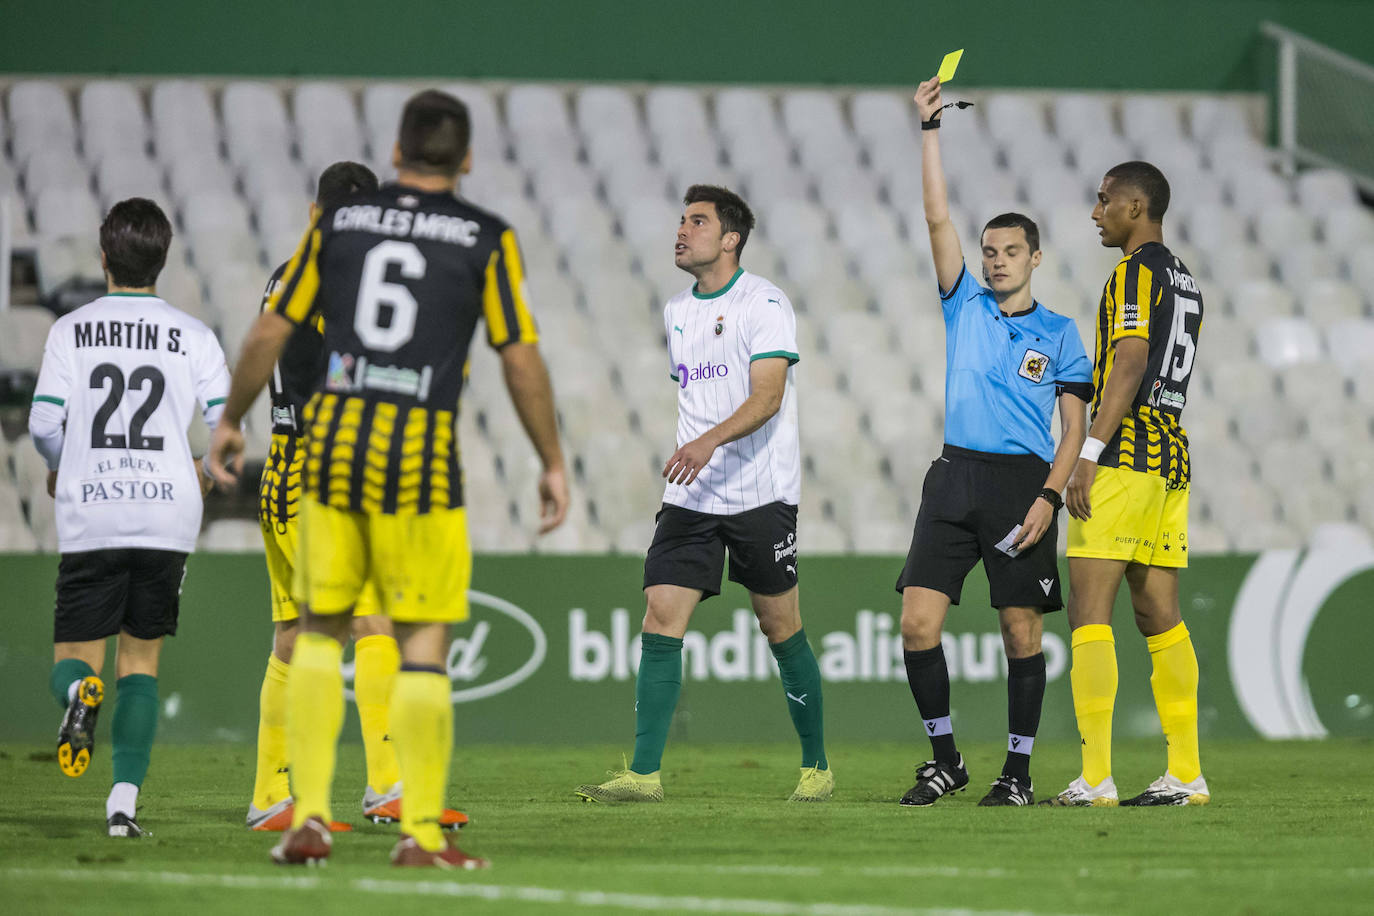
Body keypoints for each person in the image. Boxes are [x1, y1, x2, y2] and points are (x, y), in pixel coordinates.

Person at [207, 89, 569, 867]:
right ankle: (417, 831)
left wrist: (232, 416)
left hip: (327, 456)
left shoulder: (335, 229)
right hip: (417, 461)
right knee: (420, 638)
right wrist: (550, 458)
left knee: (316, 630)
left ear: (398, 148)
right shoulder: (484, 237)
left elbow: (271, 326)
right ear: (467, 158)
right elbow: (518, 353)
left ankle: (303, 811)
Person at [575, 184, 832, 805]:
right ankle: (642, 775)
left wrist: (708, 442)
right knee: (661, 616)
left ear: (731, 238)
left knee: (780, 626)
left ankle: (816, 768)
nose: (682, 230)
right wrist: (699, 448)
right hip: (692, 496)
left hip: (759, 494)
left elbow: (767, 397)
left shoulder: (764, 303)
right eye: (681, 219)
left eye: (697, 221)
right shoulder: (676, 311)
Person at [246, 161, 464, 834]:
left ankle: (269, 797)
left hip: (283, 469)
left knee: (293, 638)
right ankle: (387, 786)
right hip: (319, 473)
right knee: (372, 624)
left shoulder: (287, 274)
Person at [894, 78, 1092, 808]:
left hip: (1021, 483)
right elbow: (935, 214)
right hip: (953, 476)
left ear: (1035, 257)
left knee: (1020, 632)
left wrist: (1049, 495)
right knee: (917, 623)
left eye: (1010, 250)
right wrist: (930, 130)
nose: (996, 259)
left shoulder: (1063, 334)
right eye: (989, 250)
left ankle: (1017, 772)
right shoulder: (963, 305)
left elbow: (1073, 429)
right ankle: (946, 759)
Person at [29, 198, 229, 837]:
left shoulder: (70, 329)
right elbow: (230, 425)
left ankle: (76, 697)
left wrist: (64, 464)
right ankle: (121, 809)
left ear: (103, 251)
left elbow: (41, 424)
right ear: (163, 258)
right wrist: (197, 473)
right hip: (168, 515)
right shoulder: (193, 335)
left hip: (94, 510)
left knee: (75, 661)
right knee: (140, 665)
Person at [1045, 161, 1209, 807]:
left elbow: (1132, 359)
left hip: (1127, 452)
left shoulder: (1135, 272)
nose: (1095, 212)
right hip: (1170, 452)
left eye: (1105, 200)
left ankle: (1094, 777)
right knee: (1157, 614)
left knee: (1090, 613)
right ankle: (1186, 773)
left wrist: (1089, 451)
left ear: (1136, 206)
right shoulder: (1186, 278)